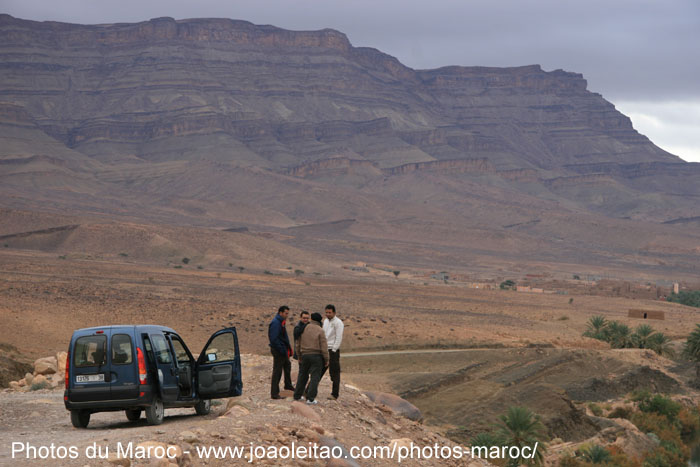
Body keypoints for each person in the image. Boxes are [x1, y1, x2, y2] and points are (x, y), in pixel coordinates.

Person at [294, 313, 329, 405]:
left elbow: (298, 343)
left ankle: (297, 395)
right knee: (315, 377)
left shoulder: (303, 328)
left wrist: (299, 356)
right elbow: (324, 346)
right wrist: (326, 359)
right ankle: (310, 398)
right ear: (319, 321)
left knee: (302, 375)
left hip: (304, 355)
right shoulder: (320, 330)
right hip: (316, 356)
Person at [268, 305, 294, 399]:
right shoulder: (276, 323)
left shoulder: (280, 322)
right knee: (277, 371)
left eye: (287, 313)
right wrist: (282, 349)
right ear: (281, 312)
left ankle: (288, 385)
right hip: (279, 350)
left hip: (282, 350)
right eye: (286, 313)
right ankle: (274, 393)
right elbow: (274, 339)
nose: (287, 315)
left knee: (287, 365)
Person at [322, 304, 344, 400]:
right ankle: (308, 390)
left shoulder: (338, 323)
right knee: (319, 369)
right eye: (326, 312)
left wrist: (334, 349)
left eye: (330, 312)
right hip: (324, 349)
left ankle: (335, 394)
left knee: (334, 373)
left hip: (332, 350)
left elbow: (339, 337)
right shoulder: (326, 321)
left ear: (334, 312)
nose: (328, 314)